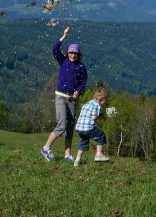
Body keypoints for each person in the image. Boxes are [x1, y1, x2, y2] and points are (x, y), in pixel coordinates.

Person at [40, 26, 87, 162]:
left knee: (70, 127)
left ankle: (67, 155)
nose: (73, 55)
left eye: (75, 54)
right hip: (61, 96)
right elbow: (55, 49)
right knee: (61, 125)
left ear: (78, 55)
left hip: (72, 99)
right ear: (67, 53)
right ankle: (46, 148)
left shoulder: (81, 67)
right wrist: (64, 35)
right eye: (71, 53)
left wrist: (78, 91)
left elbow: (83, 81)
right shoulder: (63, 61)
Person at [73, 88, 110, 166]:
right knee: (101, 135)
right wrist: (101, 115)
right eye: (105, 99)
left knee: (83, 142)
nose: (105, 101)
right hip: (88, 128)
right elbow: (93, 117)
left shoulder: (87, 103)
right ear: (101, 98)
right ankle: (98, 155)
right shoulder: (97, 105)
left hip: (79, 128)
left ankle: (76, 161)